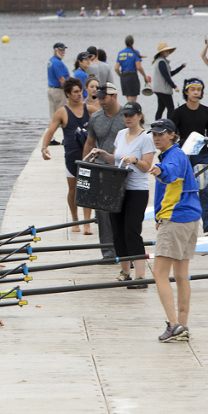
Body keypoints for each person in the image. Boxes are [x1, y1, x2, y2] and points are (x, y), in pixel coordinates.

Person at [148, 118, 202, 342]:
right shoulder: (177, 155)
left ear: (172, 135)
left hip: (177, 219)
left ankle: (174, 325)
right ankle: (183, 325)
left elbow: (168, 172)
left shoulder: (173, 156)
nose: (157, 137)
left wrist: (158, 169)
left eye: (161, 133)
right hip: (190, 218)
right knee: (181, 275)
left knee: (159, 274)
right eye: (154, 134)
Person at [92, 102, 155, 286]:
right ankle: (125, 272)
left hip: (137, 190)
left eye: (131, 115)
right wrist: (103, 154)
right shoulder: (120, 135)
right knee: (118, 232)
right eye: (125, 115)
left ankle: (141, 276)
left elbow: (146, 167)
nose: (127, 118)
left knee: (132, 231)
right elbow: (116, 161)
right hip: (118, 189)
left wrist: (134, 160)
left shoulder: (146, 137)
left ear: (139, 116)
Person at [42, 77, 97, 235]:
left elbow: (104, 121)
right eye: (75, 92)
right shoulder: (62, 113)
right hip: (71, 156)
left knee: (87, 188)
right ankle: (75, 220)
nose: (79, 94)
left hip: (88, 156)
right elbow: (50, 131)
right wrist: (44, 148)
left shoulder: (90, 109)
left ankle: (86, 224)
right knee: (73, 189)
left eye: (80, 91)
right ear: (67, 94)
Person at [171, 78, 208, 236]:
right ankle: (183, 222)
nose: (195, 92)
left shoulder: (206, 111)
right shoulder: (178, 112)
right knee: (183, 188)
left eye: (198, 90)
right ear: (186, 92)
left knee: (204, 189)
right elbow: (171, 135)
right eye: (192, 89)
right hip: (184, 155)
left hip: (202, 155)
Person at [82, 82, 126, 259]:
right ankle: (108, 252)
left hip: (123, 170)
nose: (101, 101)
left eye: (104, 98)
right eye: (98, 98)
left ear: (114, 96)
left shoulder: (127, 115)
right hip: (101, 169)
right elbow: (90, 143)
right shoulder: (95, 118)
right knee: (102, 214)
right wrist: (83, 167)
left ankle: (124, 252)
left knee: (122, 213)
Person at [152, 42, 185, 119]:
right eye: (166, 50)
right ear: (161, 52)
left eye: (168, 50)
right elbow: (166, 76)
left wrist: (181, 67)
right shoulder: (161, 62)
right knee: (171, 108)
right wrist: (174, 86)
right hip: (163, 90)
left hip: (158, 89)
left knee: (161, 107)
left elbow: (170, 74)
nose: (168, 52)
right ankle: (170, 124)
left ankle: (157, 123)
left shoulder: (161, 61)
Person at [115, 35, 149, 102]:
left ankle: (129, 112)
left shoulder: (120, 53)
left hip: (124, 77)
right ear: (133, 42)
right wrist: (145, 76)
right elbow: (138, 67)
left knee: (128, 99)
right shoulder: (135, 52)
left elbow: (116, 68)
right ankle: (130, 112)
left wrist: (121, 75)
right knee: (132, 102)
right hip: (132, 77)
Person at [47, 42, 70, 119]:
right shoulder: (57, 63)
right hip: (59, 92)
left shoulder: (51, 60)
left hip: (51, 90)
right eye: (61, 50)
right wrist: (68, 92)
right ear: (55, 50)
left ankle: (53, 129)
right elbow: (61, 79)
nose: (63, 52)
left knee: (53, 116)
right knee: (62, 115)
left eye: (64, 50)